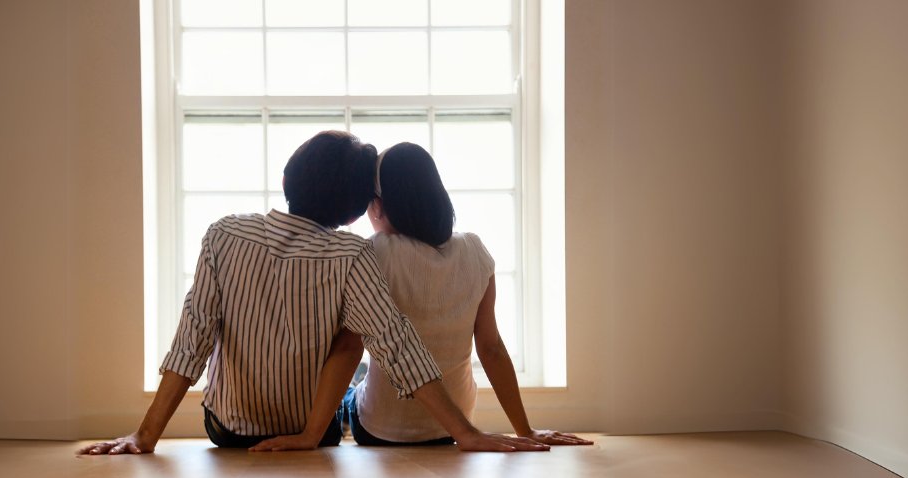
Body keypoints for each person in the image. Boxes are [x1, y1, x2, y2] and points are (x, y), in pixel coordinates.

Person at [79, 132, 550, 456]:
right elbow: (397, 342)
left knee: (348, 365)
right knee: (353, 364)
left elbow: (193, 338)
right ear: (353, 214)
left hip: (226, 431)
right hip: (316, 433)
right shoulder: (352, 254)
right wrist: (465, 432)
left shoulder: (222, 235)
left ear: (287, 180)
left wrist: (146, 436)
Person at [251, 143, 592, 451]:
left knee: (350, 382)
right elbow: (491, 347)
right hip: (454, 427)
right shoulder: (475, 251)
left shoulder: (373, 252)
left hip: (379, 429)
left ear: (380, 207)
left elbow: (349, 346)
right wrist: (525, 429)